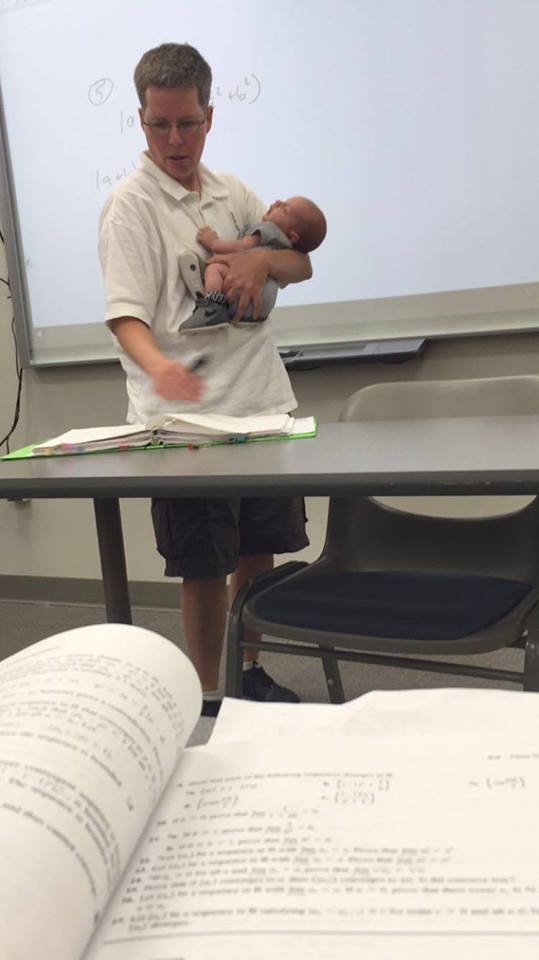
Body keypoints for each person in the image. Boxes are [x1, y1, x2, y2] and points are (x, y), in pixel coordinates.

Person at [98, 43, 314, 716]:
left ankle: (247, 673)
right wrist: (160, 366)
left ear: (209, 117)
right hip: (187, 426)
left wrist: (259, 268)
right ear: (140, 121)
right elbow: (125, 316)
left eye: (186, 123)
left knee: (259, 551)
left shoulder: (233, 193)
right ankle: (208, 693)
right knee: (202, 565)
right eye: (159, 125)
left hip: (261, 407)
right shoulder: (130, 206)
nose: (173, 140)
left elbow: (298, 264)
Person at [182, 196, 327, 332]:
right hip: (262, 306)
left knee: (214, 268)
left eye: (284, 209)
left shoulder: (268, 229)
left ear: (292, 236)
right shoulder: (284, 245)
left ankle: (212, 306)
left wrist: (213, 243)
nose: (277, 202)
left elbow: (242, 247)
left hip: (246, 297)